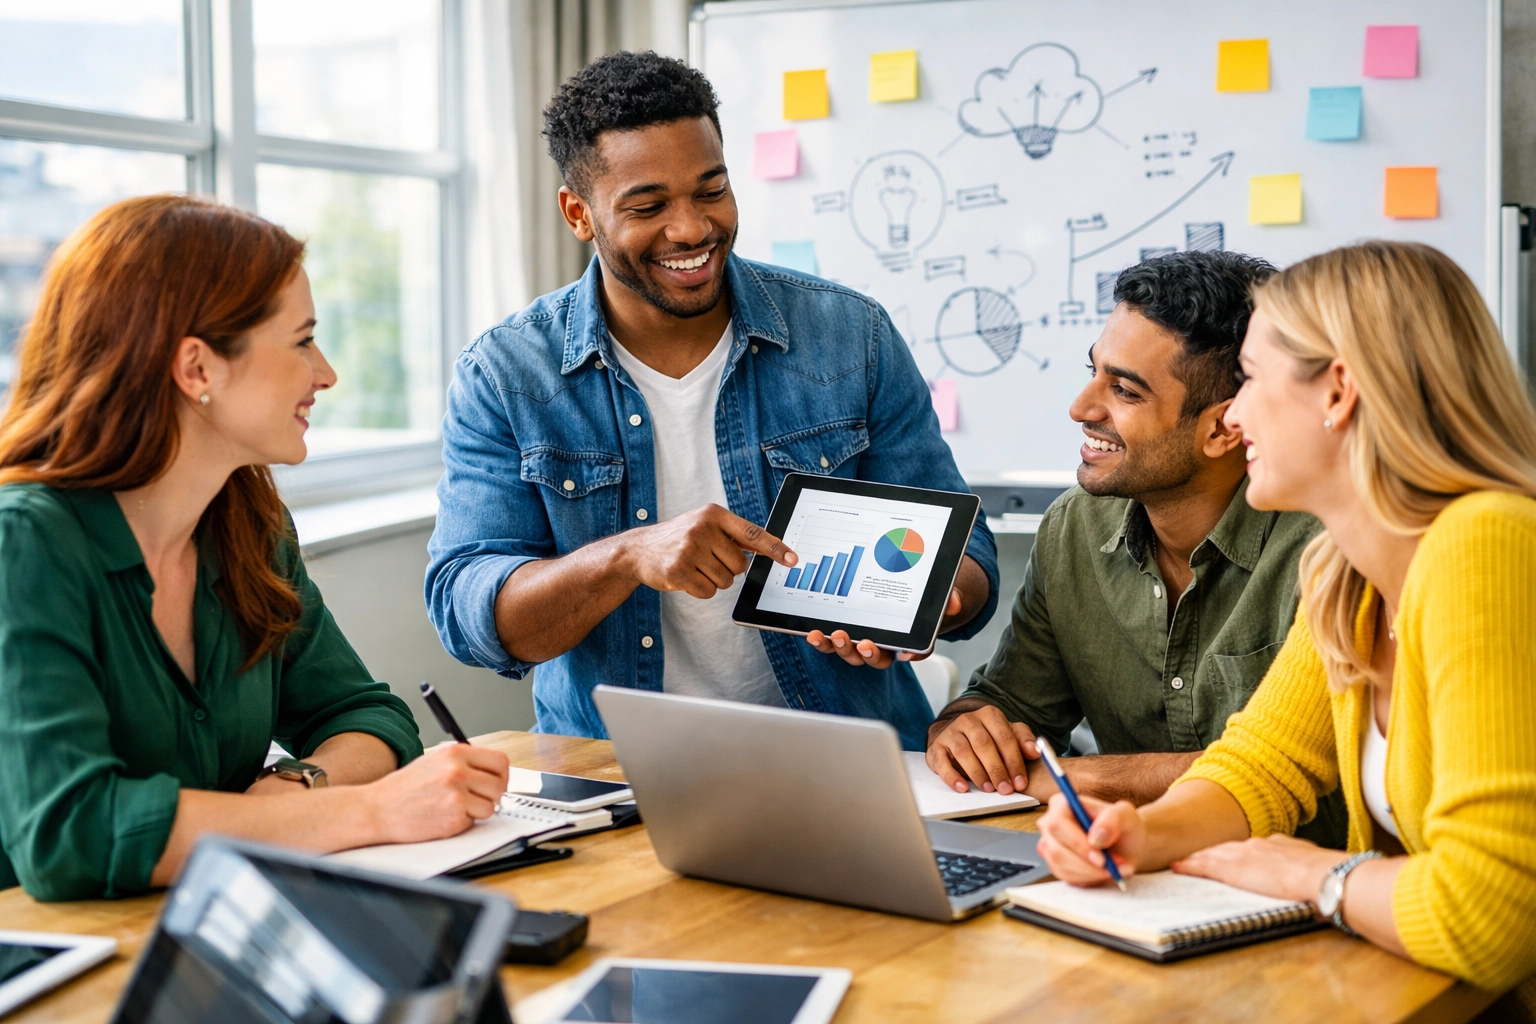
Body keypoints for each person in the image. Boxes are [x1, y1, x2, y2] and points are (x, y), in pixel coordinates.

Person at [426, 51, 998, 749]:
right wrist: (628, 557)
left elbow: (969, 557)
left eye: (712, 190)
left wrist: (929, 603)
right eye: (648, 206)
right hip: (619, 769)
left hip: (846, 752)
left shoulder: (852, 335)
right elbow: (470, 614)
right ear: (579, 214)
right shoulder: (505, 373)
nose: (692, 228)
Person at [1036, 241, 1536, 1007]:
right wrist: (1143, 835)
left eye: (1252, 379)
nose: (1233, 415)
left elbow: (1492, 914)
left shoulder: (1486, 544)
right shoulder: (1344, 572)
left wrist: (1313, 875)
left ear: (1337, 392)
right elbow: (1263, 766)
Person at [0, 195, 509, 902]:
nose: (325, 373)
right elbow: (73, 832)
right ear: (197, 369)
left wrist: (292, 792)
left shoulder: (248, 523)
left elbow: (367, 717)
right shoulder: (24, 542)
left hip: (211, 922)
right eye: (301, 341)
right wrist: (367, 811)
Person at [925, 252, 1343, 845]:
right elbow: (1014, 704)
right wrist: (964, 731)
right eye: (1093, 371)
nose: (1081, 408)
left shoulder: (1328, 545)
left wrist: (1084, 777)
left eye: (1123, 390)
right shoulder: (1074, 525)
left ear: (1224, 427)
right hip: (1129, 866)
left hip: (1298, 879)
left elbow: (1312, 768)